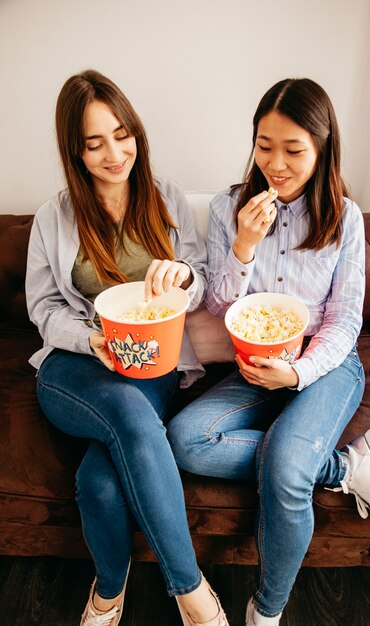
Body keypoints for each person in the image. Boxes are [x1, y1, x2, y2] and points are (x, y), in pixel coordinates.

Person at [167, 77, 370, 625]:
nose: (275, 164)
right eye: (264, 145)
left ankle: (266, 612)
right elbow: (217, 302)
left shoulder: (345, 218)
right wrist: (243, 245)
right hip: (253, 362)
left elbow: (345, 320)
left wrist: (298, 373)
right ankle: (344, 468)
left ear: (322, 148)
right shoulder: (232, 206)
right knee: (186, 439)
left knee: (285, 467)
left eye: (293, 150)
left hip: (326, 365)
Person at [26, 69, 229, 626]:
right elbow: (43, 310)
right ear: (75, 151)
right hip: (76, 366)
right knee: (132, 422)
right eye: (95, 143)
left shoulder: (163, 196)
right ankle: (191, 592)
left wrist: (182, 277)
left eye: (122, 134)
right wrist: (91, 339)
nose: (115, 153)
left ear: (135, 131)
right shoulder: (54, 217)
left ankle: (108, 592)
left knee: (98, 480)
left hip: (152, 364)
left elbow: (202, 277)